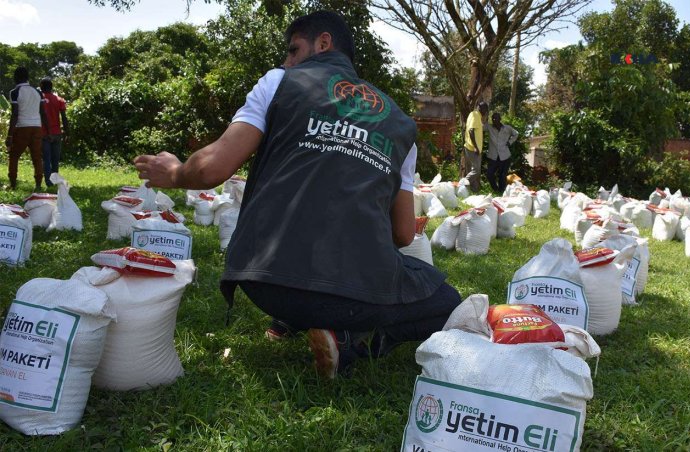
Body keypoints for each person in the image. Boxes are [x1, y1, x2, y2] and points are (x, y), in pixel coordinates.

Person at [134, 11, 461, 379]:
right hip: (350, 294)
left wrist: (175, 172)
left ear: (323, 43)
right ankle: (352, 337)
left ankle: (292, 320)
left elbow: (212, 168)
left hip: (265, 281)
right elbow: (403, 234)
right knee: (447, 301)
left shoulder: (279, 83)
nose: (286, 62)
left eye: (293, 50)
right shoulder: (400, 124)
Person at [5, 67, 48, 191]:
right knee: (36, 157)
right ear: (27, 77)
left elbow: (15, 114)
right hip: (37, 127)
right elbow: (43, 113)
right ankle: (38, 184)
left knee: (14, 156)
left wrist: (9, 136)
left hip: (22, 127)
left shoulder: (15, 92)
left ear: (16, 77)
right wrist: (48, 130)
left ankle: (13, 184)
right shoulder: (37, 92)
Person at [40, 77, 68, 188]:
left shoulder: (40, 99)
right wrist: (67, 133)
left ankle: (48, 182)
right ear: (51, 87)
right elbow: (64, 118)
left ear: (42, 86)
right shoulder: (59, 99)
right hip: (57, 133)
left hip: (45, 133)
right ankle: (55, 180)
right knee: (55, 160)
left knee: (46, 159)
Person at [485, 112, 519, 194]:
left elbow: (516, 134)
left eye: (496, 118)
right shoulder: (489, 127)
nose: (494, 120)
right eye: (492, 118)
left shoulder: (507, 128)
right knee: (489, 174)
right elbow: (480, 127)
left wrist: (510, 142)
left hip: (505, 156)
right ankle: (495, 189)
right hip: (493, 156)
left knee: (502, 175)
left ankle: (501, 191)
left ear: (500, 119)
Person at [463, 101, 488, 193]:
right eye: (484, 109)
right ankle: (462, 184)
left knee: (472, 170)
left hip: (471, 147)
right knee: (476, 170)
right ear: (479, 108)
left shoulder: (474, 115)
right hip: (473, 148)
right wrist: (476, 147)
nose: (485, 111)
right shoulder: (475, 115)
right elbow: (471, 131)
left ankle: (474, 190)